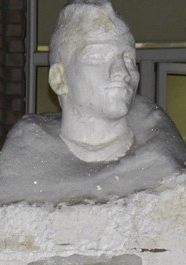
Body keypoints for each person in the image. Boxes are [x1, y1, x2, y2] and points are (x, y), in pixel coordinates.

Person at [48, 0, 139, 163]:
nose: (122, 72)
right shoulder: (25, 167)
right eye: (98, 57)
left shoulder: (164, 166)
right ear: (59, 79)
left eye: (129, 59)